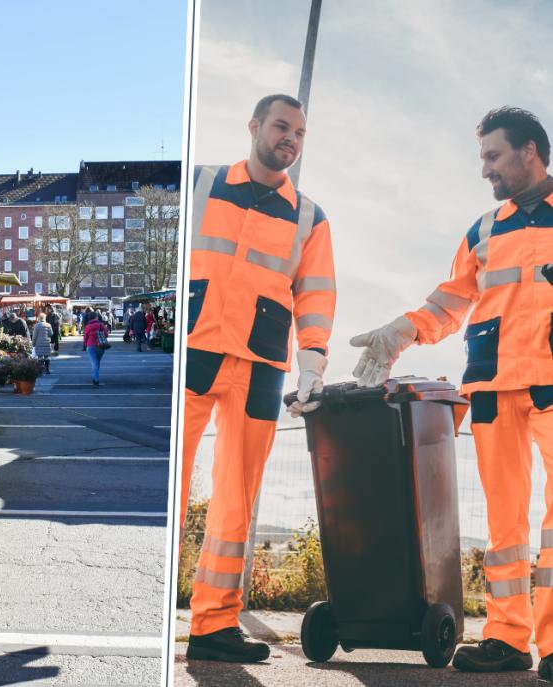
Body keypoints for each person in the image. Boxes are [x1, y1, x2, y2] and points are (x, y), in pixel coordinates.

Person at [351, 107, 553, 676]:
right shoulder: (484, 229)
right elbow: (450, 302)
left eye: (493, 156)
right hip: (491, 390)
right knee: (505, 525)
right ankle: (509, 640)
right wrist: (403, 331)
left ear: (530, 151)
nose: (485, 170)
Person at [182, 94, 335, 664]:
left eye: (299, 132)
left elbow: (316, 298)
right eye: (281, 126)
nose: (290, 139)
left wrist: (313, 366)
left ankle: (214, 625)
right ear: (254, 127)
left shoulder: (310, 218)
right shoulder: (199, 184)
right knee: (170, 485)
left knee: (236, 500)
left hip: (263, 363)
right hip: (195, 351)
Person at [83, 314, 109, 386]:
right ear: (96, 317)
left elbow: (85, 337)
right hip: (101, 345)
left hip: (90, 345)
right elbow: (106, 334)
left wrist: (85, 344)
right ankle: (95, 376)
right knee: (97, 362)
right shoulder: (101, 325)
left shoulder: (87, 326)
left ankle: (96, 379)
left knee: (94, 363)